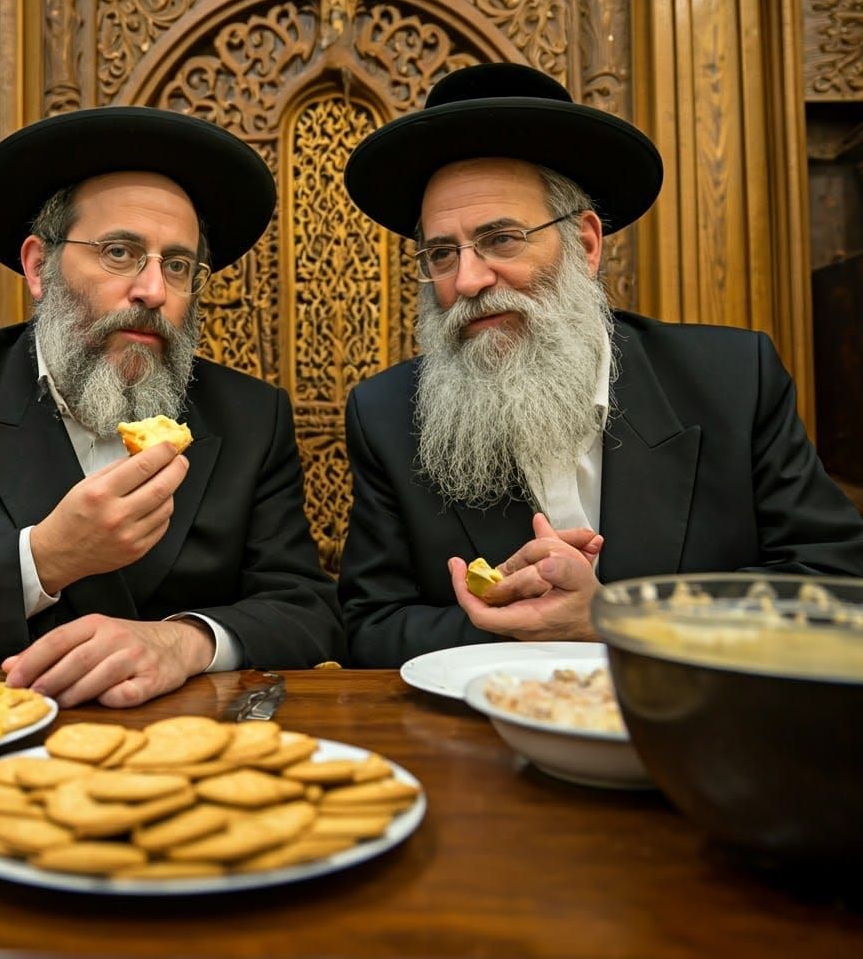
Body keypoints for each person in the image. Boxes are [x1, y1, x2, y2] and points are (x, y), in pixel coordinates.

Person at [338, 62, 863, 668]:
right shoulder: (386, 414)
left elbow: (833, 581)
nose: (469, 279)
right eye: (440, 253)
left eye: (502, 239)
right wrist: (523, 623)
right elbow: (367, 627)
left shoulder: (734, 379)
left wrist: (615, 620)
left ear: (584, 244)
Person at [0, 106, 345, 704]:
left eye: (177, 266)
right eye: (119, 253)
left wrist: (184, 642)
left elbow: (307, 611)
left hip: (188, 750)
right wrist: (44, 558)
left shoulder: (251, 417)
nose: (152, 291)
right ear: (38, 266)